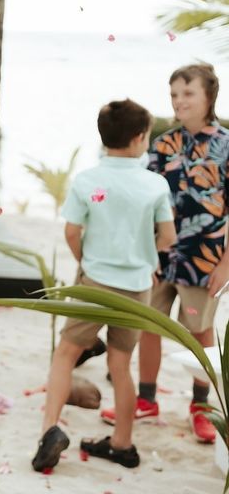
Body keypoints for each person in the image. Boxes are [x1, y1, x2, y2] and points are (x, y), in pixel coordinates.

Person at [32, 99, 176, 472]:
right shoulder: (156, 184)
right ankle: (122, 443)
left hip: (95, 282)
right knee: (121, 364)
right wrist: (148, 256)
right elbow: (168, 237)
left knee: (65, 353)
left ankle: (50, 430)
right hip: (137, 286)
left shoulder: (87, 180)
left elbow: (72, 230)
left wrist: (85, 260)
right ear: (141, 138)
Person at [102, 63, 228, 444]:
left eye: (188, 93)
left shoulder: (226, 145)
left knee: (200, 331)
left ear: (209, 96)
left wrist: (226, 264)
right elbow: (146, 202)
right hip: (158, 257)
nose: (179, 101)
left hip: (206, 260)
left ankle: (202, 408)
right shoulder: (162, 145)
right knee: (149, 325)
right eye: (174, 94)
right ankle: (147, 399)